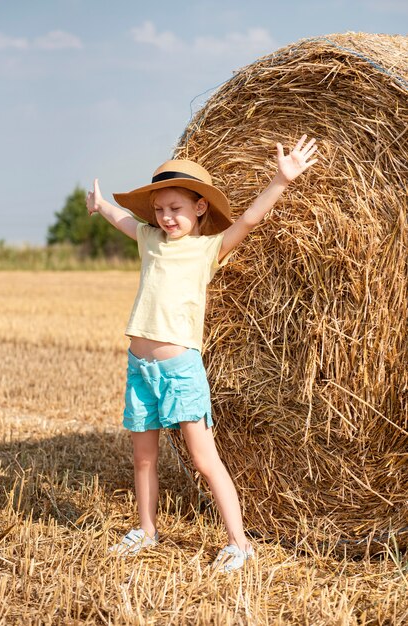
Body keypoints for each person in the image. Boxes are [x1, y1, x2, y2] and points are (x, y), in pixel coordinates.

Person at [86, 134, 318, 572]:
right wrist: (100, 205)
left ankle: (240, 542)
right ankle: (147, 531)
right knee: (143, 457)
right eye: (159, 209)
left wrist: (280, 180)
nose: (166, 217)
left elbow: (249, 219)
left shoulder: (207, 248)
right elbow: (123, 220)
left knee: (202, 458)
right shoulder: (149, 239)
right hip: (141, 368)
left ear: (199, 207)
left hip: (180, 369)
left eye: (175, 208)